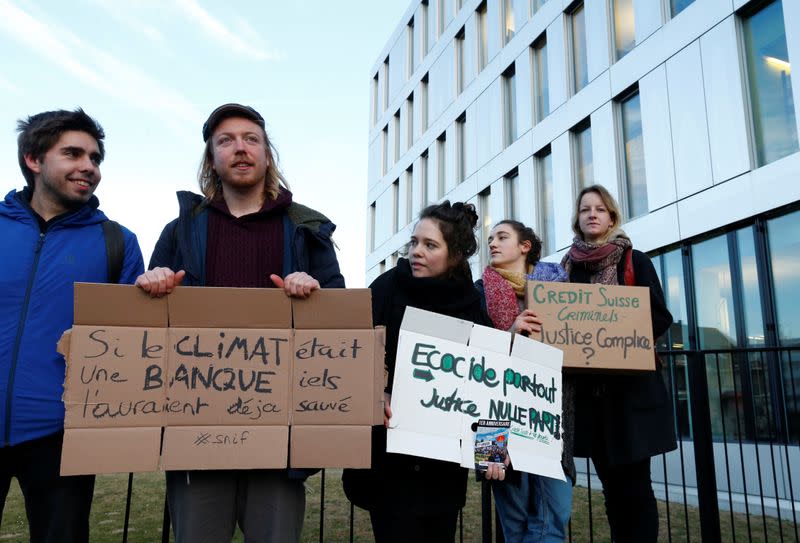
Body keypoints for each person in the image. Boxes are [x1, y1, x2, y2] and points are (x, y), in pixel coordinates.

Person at [135, 103, 344, 543]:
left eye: (252, 139)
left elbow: (340, 323)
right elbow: (150, 325)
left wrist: (314, 295)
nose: (240, 148)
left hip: (281, 438)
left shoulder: (306, 230)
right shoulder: (180, 231)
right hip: (196, 433)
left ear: (268, 155)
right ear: (212, 158)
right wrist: (151, 283)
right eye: (226, 141)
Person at [0, 109, 144, 542]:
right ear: (34, 159)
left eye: (95, 158)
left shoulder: (118, 242)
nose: (89, 167)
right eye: (73, 153)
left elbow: (132, 339)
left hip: (63, 437)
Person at [343, 201, 492, 543]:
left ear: (455, 254)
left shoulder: (471, 304)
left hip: (441, 470)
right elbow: (354, 349)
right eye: (414, 242)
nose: (416, 252)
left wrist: (491, 453)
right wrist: (373, 392)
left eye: (430, 245)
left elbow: (489, 385)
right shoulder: (386, 288)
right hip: (389, 462)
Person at [561, 184, 675, 543]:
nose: (592, 214)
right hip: (591, 403)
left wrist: (616, 338)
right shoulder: (566, 269)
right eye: (585, 210)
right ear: (577, 220)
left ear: (611, 216)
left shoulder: (634, 261)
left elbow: (658, 316)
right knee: (612, 491)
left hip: (630, 398)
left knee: (637, 490)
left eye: (599, 209)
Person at [474, 220, 575, 543]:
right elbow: (471, 358)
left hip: (552, 416)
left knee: (554, 518)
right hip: (497, 417)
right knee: (513, 525)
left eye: (502, 237)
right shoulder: (478, 292)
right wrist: (510, 335)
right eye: (490, 238)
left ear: (525, 246)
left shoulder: (562, 290)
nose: (492, 243)